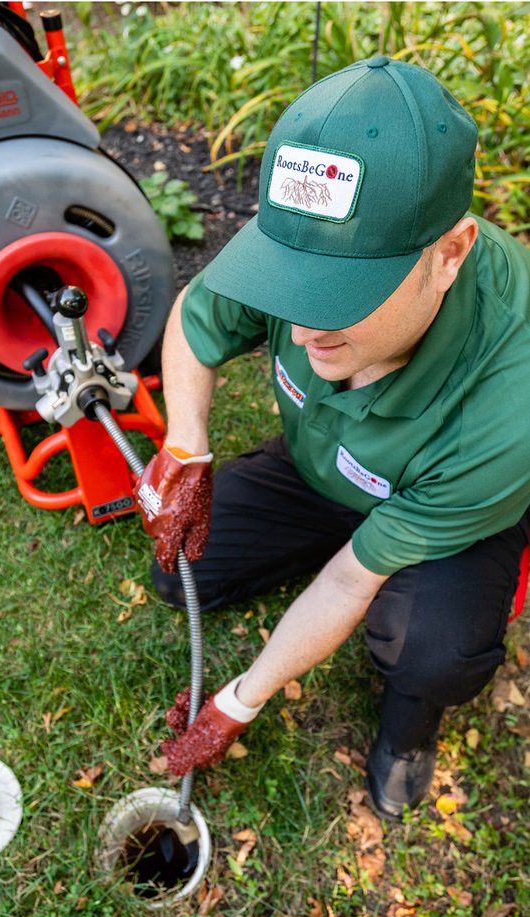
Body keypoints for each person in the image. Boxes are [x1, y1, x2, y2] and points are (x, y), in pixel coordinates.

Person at [133, 56, 530, 820]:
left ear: (448, 254)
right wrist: (186, 446)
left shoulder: (506, 409)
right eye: (292, 280)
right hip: (329, 466)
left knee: (431, 650)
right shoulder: (307, 239)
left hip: (445, 497)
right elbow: (194, 316)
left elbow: (350, 579)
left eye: (341, 292)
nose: (305, 323)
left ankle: (410, 725)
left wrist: (240, 701)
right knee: (183, 571)